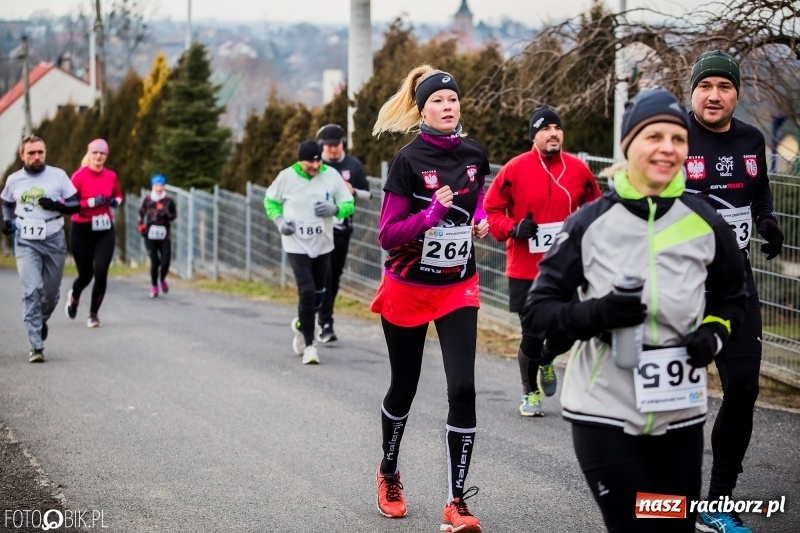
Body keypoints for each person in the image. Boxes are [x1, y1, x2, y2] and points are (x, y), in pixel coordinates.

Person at [522, 88, 747, 532]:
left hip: (680, 413)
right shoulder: (590, 222)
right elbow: (538, 312)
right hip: (604, 409)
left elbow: (732, 297)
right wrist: (598, 313)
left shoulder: (705, 221)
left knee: (671, 527)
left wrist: (714, 333)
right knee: (634, 527)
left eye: (678, 138)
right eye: (654, 136)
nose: (667, 148)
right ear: (629, 146)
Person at [370, 65, 490, 533]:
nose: (448, 107)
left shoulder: (474, 153)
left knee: (463, 387)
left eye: (453, 100)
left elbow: (476, 199)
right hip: (409, 287)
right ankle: (389, 473)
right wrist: (431, 214)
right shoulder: (408, 160)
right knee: (405, 387)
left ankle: (455, 502)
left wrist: (477, 219)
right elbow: (387, 234)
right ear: (423, 110)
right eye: (439, 101)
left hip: (459, 285)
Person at [684, 50, 784, 533]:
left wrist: (765, 218)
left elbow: (758, 190)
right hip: (681, 287)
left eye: (724, 87)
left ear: (736, 93)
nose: (715, 95)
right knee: (674, 400)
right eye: (706, 86)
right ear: (693, 92)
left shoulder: (751, 138)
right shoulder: (673, 138)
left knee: (743, 388)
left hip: (735, 285)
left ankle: (717, 503)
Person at [484, 105, 600, 417]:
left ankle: (548, 358)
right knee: (532, 335)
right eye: (545, 128)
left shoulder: (578, 170)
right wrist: (513, 228)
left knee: (570, 330)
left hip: (564, 269)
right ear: (534, 135)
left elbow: (596, 211)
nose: (553, 133)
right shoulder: (515, 169)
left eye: (557, 128)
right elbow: (491, 210)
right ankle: (530, 392)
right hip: (525, 269)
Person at [264, 139, 354, 365]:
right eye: (309, 163)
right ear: (299, 161)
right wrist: (280, 221)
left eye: (318, 161)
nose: (315, 166)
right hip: (296, 243)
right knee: (306, 290)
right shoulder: (286, 177)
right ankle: (310, 346)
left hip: (322, 243)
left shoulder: (331, 175)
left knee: (319, 295)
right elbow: (270, 200)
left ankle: (300, 324)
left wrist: (335, 208)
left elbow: (348, 202)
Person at [1, 135, 80, 362]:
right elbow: (7, 203)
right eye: (31, 153)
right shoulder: (14, 180)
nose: (37, 157)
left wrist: (57, 205)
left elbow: (76, 203)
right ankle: (36, 345)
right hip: (25, 240)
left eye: (40, 152)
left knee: (51, 295)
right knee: (31, 290)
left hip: (53, 238)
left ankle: (40, 319)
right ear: (22, 155)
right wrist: (6, 221)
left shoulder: (58, 176)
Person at [314, 123, 371, 343]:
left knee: (334, 275)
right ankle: (324, 321)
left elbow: (369, 195)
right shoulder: (314, 164)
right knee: (324, 273)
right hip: (317, 228)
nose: (333, 150)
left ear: (342, 143)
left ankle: (324, 316)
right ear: (322, 146)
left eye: (336, 145)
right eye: (328, 146)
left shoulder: (352, 165)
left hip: (342, 228)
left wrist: (353, 190)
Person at [63, 139, 123, 328]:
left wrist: (116, 202)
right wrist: (90, 203)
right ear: (89, 154)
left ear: (106, 155)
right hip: (82, 230)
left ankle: (93, 314)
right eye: (95, 153)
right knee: (86, 274)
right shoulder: (79, 176)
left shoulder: (111, 176)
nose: (98, 156)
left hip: (104, 229)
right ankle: (74, 295)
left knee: (101, 271)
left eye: (102, 153)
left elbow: (119, 195)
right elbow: (68, 203)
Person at [138, 174, 177, 298]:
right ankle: (154, 286)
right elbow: (140, 214)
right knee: (155, 262)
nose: (159, 188)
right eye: (156, 185)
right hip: (150, 234)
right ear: (153, 186)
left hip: (165, 234)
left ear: (164, 186)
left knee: (165, 262)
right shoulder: (148, 199)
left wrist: (167, 214)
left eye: (161, 185)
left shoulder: (169, 200)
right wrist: (141, 227)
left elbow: (174, 215)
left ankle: (162, 279)